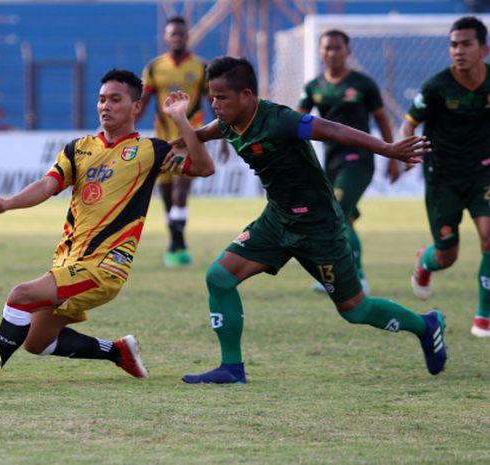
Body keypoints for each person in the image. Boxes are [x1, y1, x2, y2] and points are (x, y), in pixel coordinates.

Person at [177, 56, 445, 384]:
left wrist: (387, 149)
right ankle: (231, 368)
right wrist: (175, 142)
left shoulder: (280, 120)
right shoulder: (228, 122)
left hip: (319, 226)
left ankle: (426, 324)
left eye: (221, 97)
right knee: (218, 277)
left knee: (354, 310)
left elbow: (330, 129)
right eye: (212, 97)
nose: (214, 104)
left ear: (246, 95)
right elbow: (205, 133)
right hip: (277, 221)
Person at [0, 70, 214, 378]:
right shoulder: (78, 149)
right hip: (69, 261)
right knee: (36, 342)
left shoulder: (150, 151)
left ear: (135, 107)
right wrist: (9, 203)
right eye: (102, 99)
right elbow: (47, 185)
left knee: (19, 296)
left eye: (115, 100)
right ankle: (117, 351)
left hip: (104, 267)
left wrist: (181, 120)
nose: (106, 106)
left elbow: (204, 167)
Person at [403, 16, 490, 337]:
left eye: (466, 44)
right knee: (447, 255)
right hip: (443, 177)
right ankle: (425, 262)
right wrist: (408, 150)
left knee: (489, 237)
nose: (458, 51)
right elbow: (410, 121)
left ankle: (484, 317)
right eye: (453, 45)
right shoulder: (437, 87)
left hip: (483, 172)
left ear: (483, 49)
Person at [297, 29, 400, 295]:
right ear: (320, 53)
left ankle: (356, 279)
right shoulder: (314, 87)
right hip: (330, 161)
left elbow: (382, 119)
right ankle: (345, 275)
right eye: (327, 48)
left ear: (348, 51)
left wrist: (392, 156)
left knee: (338, 211)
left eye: (337, 48)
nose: (332, 53)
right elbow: (296, 121)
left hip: (359, 159)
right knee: (344, 220)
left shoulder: (363, 84)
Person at [140, 16, 210, 267]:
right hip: (163, 138)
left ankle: (176, 246)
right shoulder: (154, 68)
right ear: (167, 37)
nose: (177, 37)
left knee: (182, 189)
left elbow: (214, 103)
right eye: (173, 34)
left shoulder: (201, 67)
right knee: (167, 194)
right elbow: (143, 104)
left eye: (181, 33)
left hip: (191, 136)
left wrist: (225, 137)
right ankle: (177, 243)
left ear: (187, 36)